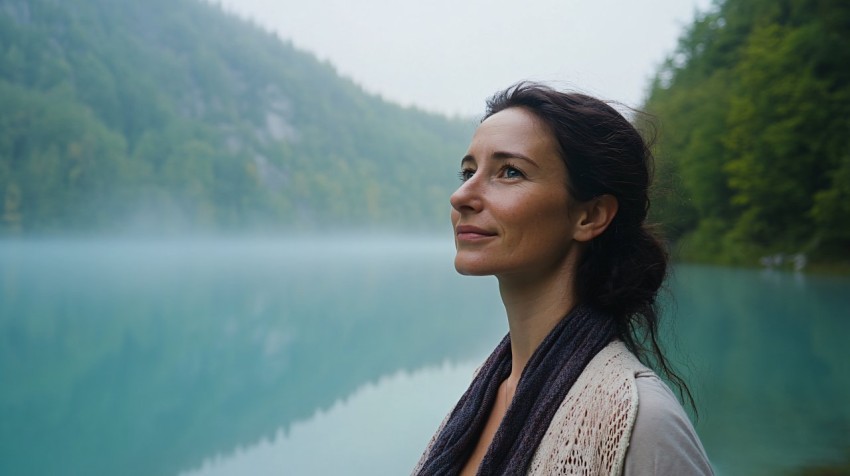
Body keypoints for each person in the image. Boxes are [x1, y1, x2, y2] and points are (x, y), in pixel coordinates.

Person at [413, 82, 713, 475]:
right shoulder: (484, 393)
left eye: (510, 172)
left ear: (589, 216)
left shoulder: (639, 418)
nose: (462, 196)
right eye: (467, 171)